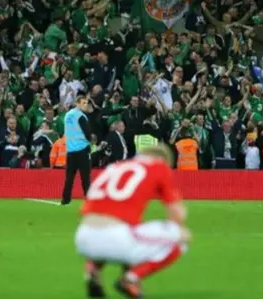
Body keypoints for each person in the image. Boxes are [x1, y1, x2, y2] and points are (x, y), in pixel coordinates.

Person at [75, 144, 191, 299]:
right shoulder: (158, 167)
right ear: (161, 160)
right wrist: (180, 225)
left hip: (83, 237)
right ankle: (130, 279)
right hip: (116, 238)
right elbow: (176, 213)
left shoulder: (115, 167)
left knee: (131, 233)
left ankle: (92, 271)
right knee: (181, 238)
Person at [61, 96, 93, 205]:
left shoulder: (67, 115)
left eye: (87, 103)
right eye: (84, 103)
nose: (86, 105)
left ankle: (65, 199)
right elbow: (87, 132)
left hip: (70, 151)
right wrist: (91, 140)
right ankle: (89, 199)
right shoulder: (81, 116)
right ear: (77, 103)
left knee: (69, 177)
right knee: (85, 177)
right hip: (82, 149)